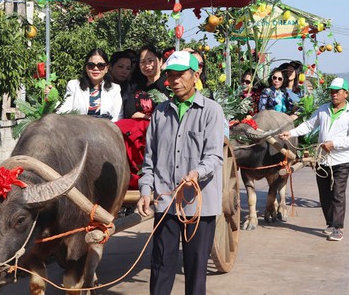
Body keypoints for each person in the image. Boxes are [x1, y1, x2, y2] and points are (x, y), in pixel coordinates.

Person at [137, 50, 225, 295]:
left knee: (195, 269)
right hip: (166, 204)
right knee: (161, 265)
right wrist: (145, 190)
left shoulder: (211, 111)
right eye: (170, 76)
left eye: (180, 75)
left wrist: (196, 173)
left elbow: (214, 156)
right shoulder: (160, 113)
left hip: (199, 205)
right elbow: (149, 161)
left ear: (195, 75)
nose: (174, 81)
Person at [278, 77, 349, 241]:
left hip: (340, 161)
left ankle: (338, 227)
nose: (334, 94)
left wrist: (334, 144)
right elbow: (309, 125)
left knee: (338, 193)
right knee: (324, 194)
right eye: (331, 91)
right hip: (322, 160)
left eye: (337, 91)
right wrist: (291, 133)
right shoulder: (323, 109)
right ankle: (330, 223)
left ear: (346, 93)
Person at [56, 48, 123, 122]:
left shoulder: (115, 88)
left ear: (107, 68)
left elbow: (118, 117)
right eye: (91, 65)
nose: (95, 68)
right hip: (79, 129)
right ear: (86, 68)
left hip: (105, 130)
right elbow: (64, 112)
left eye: (101, 65)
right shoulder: (74, 85)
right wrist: (53, 100)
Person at [123, 45, 170, 119]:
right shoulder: (136, 86)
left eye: (151, 60)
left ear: (160, 61)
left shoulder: (169, 82)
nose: (147, 65)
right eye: (143, 62)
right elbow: (129, 111)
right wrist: (149, 119)